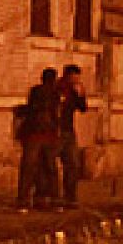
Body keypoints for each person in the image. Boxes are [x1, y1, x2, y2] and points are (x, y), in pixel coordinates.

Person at [15, 68, 60, 211]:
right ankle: (50, 199)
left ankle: (25, 200)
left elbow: (30, 109)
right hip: (45, 135)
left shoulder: (37, 92)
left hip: (35, 135)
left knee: (30, 168)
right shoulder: (54, 94)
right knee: (49, 168)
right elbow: (55, 115)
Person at [54, 64, 88, 209]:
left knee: (72, 164)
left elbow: (83, 108)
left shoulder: (76, 90)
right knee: (50, 165)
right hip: (55, 131)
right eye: (74, 77)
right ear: (67, 75)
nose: (76, 80)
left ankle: (70, 196)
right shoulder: (57, 88)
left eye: (77, 77)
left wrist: (80, 95)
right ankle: (52, 197)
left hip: (68, 130)